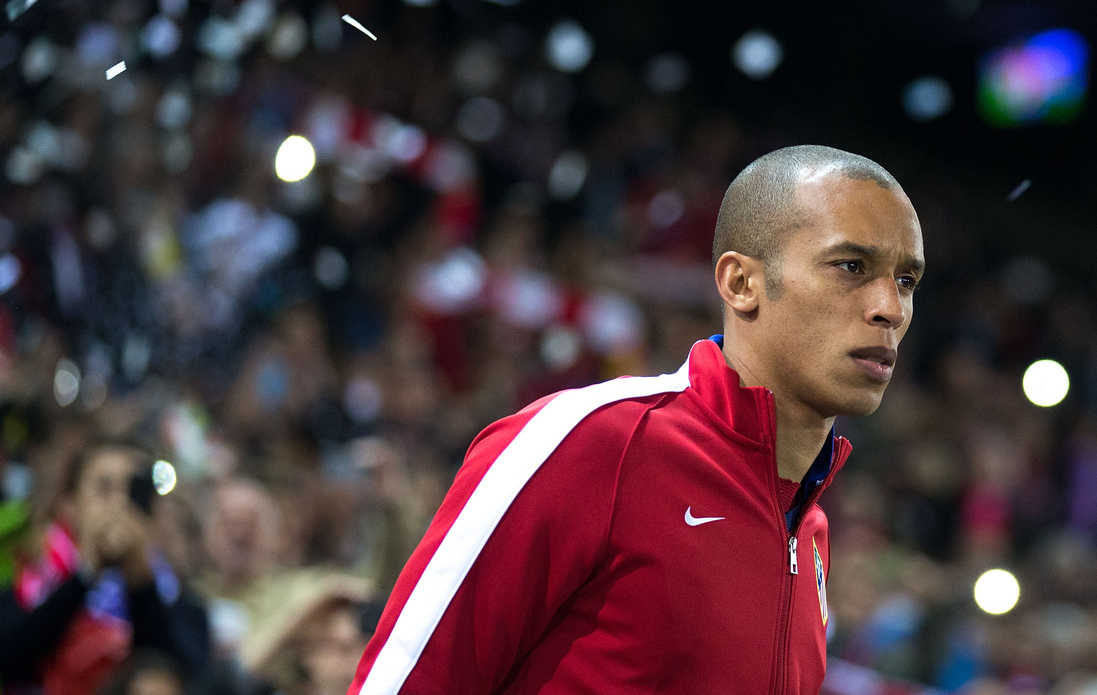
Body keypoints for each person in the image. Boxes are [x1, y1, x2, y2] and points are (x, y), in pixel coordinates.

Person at [349, 145, 925, 695]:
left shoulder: (812, 529)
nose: (891, 309)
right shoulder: (588, 442)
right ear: (741, 283)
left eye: (906, 281)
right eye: (851, 266)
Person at [0, 438, 210, 695]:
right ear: (69, 504)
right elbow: (10, 661)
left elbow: (179, 675)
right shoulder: (30, 584)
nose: (120, 503)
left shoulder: (176, 596)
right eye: (103, 488)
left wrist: (139, 577)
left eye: (133, 490)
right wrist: (87, 572)